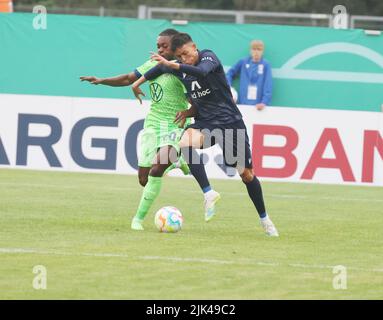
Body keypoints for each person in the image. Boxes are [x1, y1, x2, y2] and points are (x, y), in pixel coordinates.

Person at [132, 33, 279, 236]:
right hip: (206, 124)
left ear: (194, 47)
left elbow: (201, 72)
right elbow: (157, 69)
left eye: (186, 54)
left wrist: (174, 65)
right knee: (184, 141)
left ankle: (265, 220)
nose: (185, 59)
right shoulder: (177, 66)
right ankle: (209, 193)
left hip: (230, 124)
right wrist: (136, 83)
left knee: (246, 175)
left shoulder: (208, 57)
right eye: (180, 57)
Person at [80, 29, 191, 231]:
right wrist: (102, 80)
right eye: (158, 45)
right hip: (153, 123)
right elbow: (128, 78)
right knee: (143, 179)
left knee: (157, 168)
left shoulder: (183, 69)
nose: (159, 49)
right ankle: (177, 160)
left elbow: (196, 98)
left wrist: (190, 114)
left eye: (164, 46)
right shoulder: (153, 65)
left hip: (174, 124)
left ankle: (137, 220)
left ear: (175, 48)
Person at [226, 40, 273, 110]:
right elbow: (229, 73)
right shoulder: (243, 62)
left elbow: (268, 84)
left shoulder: (265, 65)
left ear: (262, 51)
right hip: (242, 104)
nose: (256, 52)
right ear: (250, 50)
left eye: (259, 49)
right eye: (254, 49)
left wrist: (264, 102)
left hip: (258, 106)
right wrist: (229, 88)